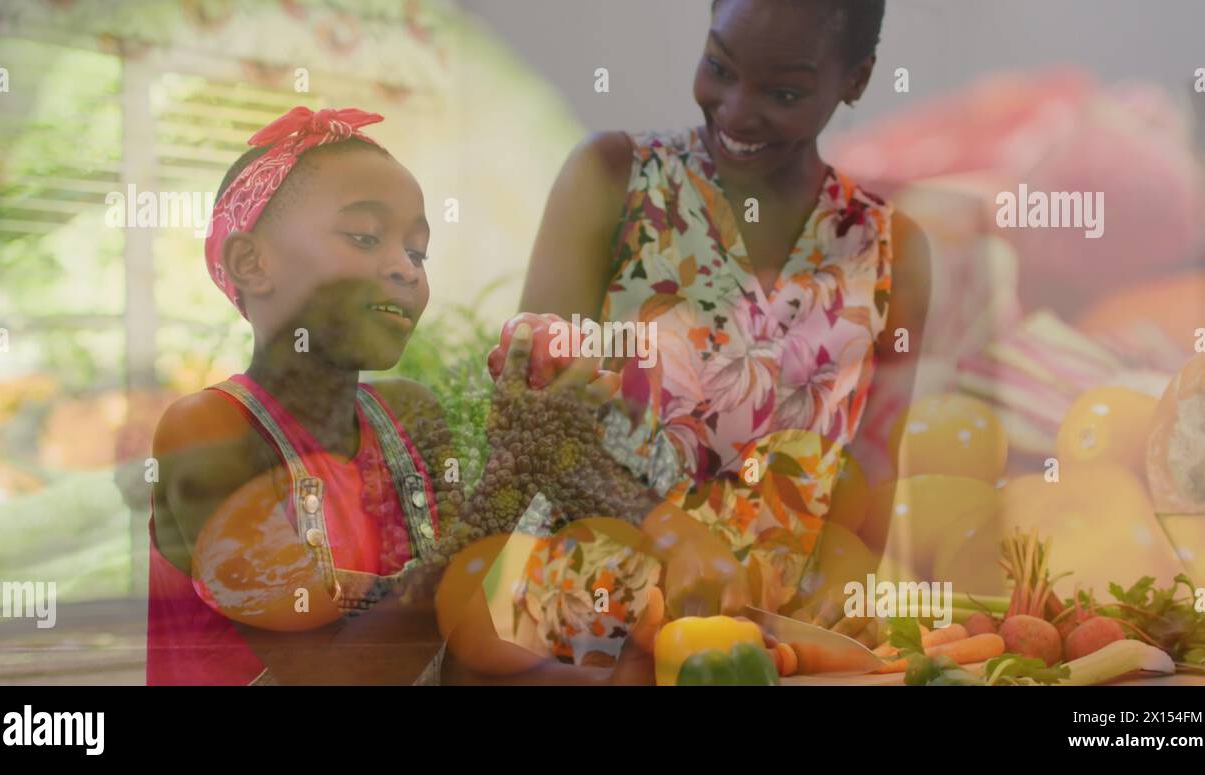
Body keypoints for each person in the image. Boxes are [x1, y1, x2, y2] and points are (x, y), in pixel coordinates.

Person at [146, 106, 660, 685]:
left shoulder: (411, 414)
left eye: (418, 252)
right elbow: (332, 674)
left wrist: (568, 458)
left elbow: (464, 629)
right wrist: (514, 474)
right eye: (365, 236)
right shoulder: (208, 432)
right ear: (252, 262)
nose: (406, 270)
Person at [512, 0, 932, 663]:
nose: (735, 110)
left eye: (783, 91)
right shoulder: (613, 181)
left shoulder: (888, 249)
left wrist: (847, 579)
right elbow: (526, 425)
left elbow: (872, 470)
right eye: (719, 67)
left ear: (856, 79)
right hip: (585, 637)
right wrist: (669, 533)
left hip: (767, 652)